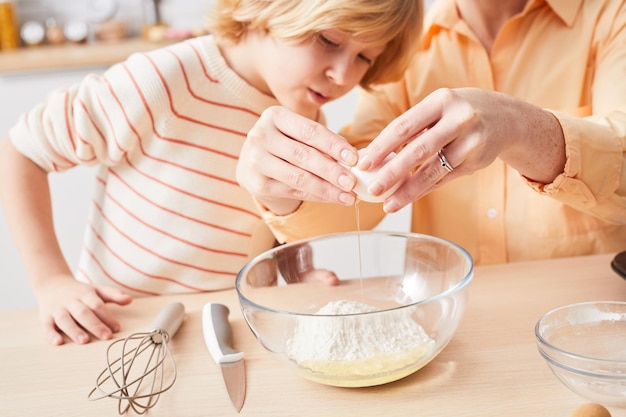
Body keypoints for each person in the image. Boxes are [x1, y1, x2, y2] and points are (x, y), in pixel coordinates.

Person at [0, 0, 424, 345]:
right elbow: (21, 150)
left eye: (365, 58)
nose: (343, 75)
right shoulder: (162, 80)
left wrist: (292, 269)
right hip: (120, 324)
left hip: (223, 325)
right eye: (329, 40)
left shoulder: (307, 115)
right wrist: (51, 281)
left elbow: (272, 218)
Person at [236, 0, 626, 266]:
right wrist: (281, 189)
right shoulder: (406, 48)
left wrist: (522, 128)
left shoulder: (612, 17)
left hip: (590, 324)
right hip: (451, 326)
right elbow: (360, 193)